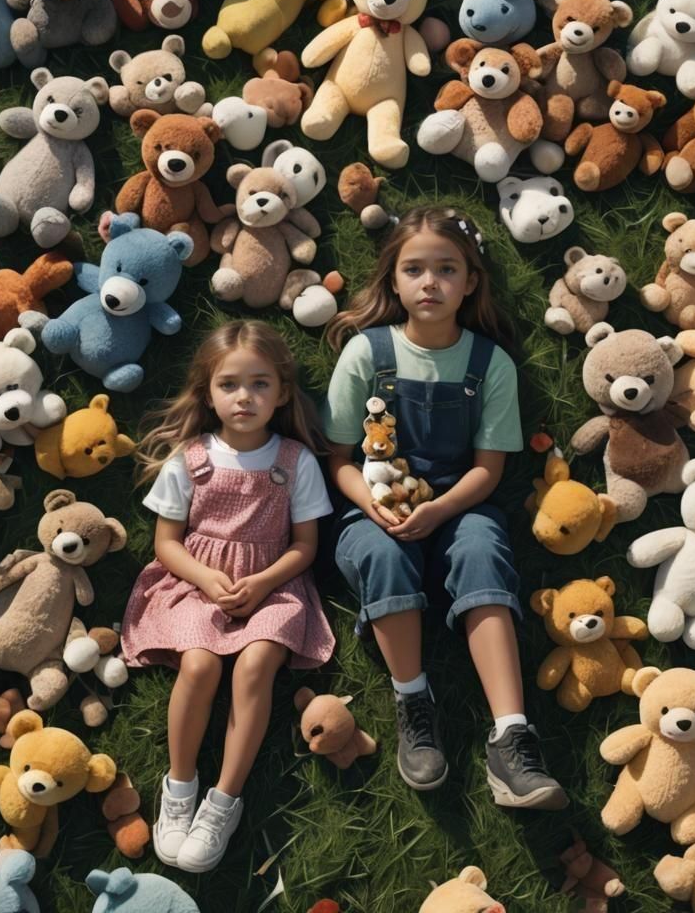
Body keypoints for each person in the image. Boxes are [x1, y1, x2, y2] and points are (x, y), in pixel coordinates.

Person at [323, 206, 567, 809]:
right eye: (415, 269)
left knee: (484, 549)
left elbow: (489, 469)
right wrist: (374, 503)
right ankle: (414, 699)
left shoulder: (490, 365)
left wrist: (439, 511)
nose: (430, 282)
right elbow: (336, 458)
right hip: (375, 508)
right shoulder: (365, 354)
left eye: (446, 269)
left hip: (461, 504)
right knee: (379, 553)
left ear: (471, 282)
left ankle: (512, 737)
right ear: (394, 281)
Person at [121, 320, 335, 873]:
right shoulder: (190, 458)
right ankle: (181, 784)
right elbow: (166, 543)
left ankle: (224, 799)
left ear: (283, 393)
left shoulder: (294, 462)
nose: (246, 397)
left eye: (261, 384)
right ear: (208, 393)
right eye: (231, 384)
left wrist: (263, 582)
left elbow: (305, 546)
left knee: (255, 665)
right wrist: (205, 578)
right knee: (199, 668)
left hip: (274, 586)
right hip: (197, 585)